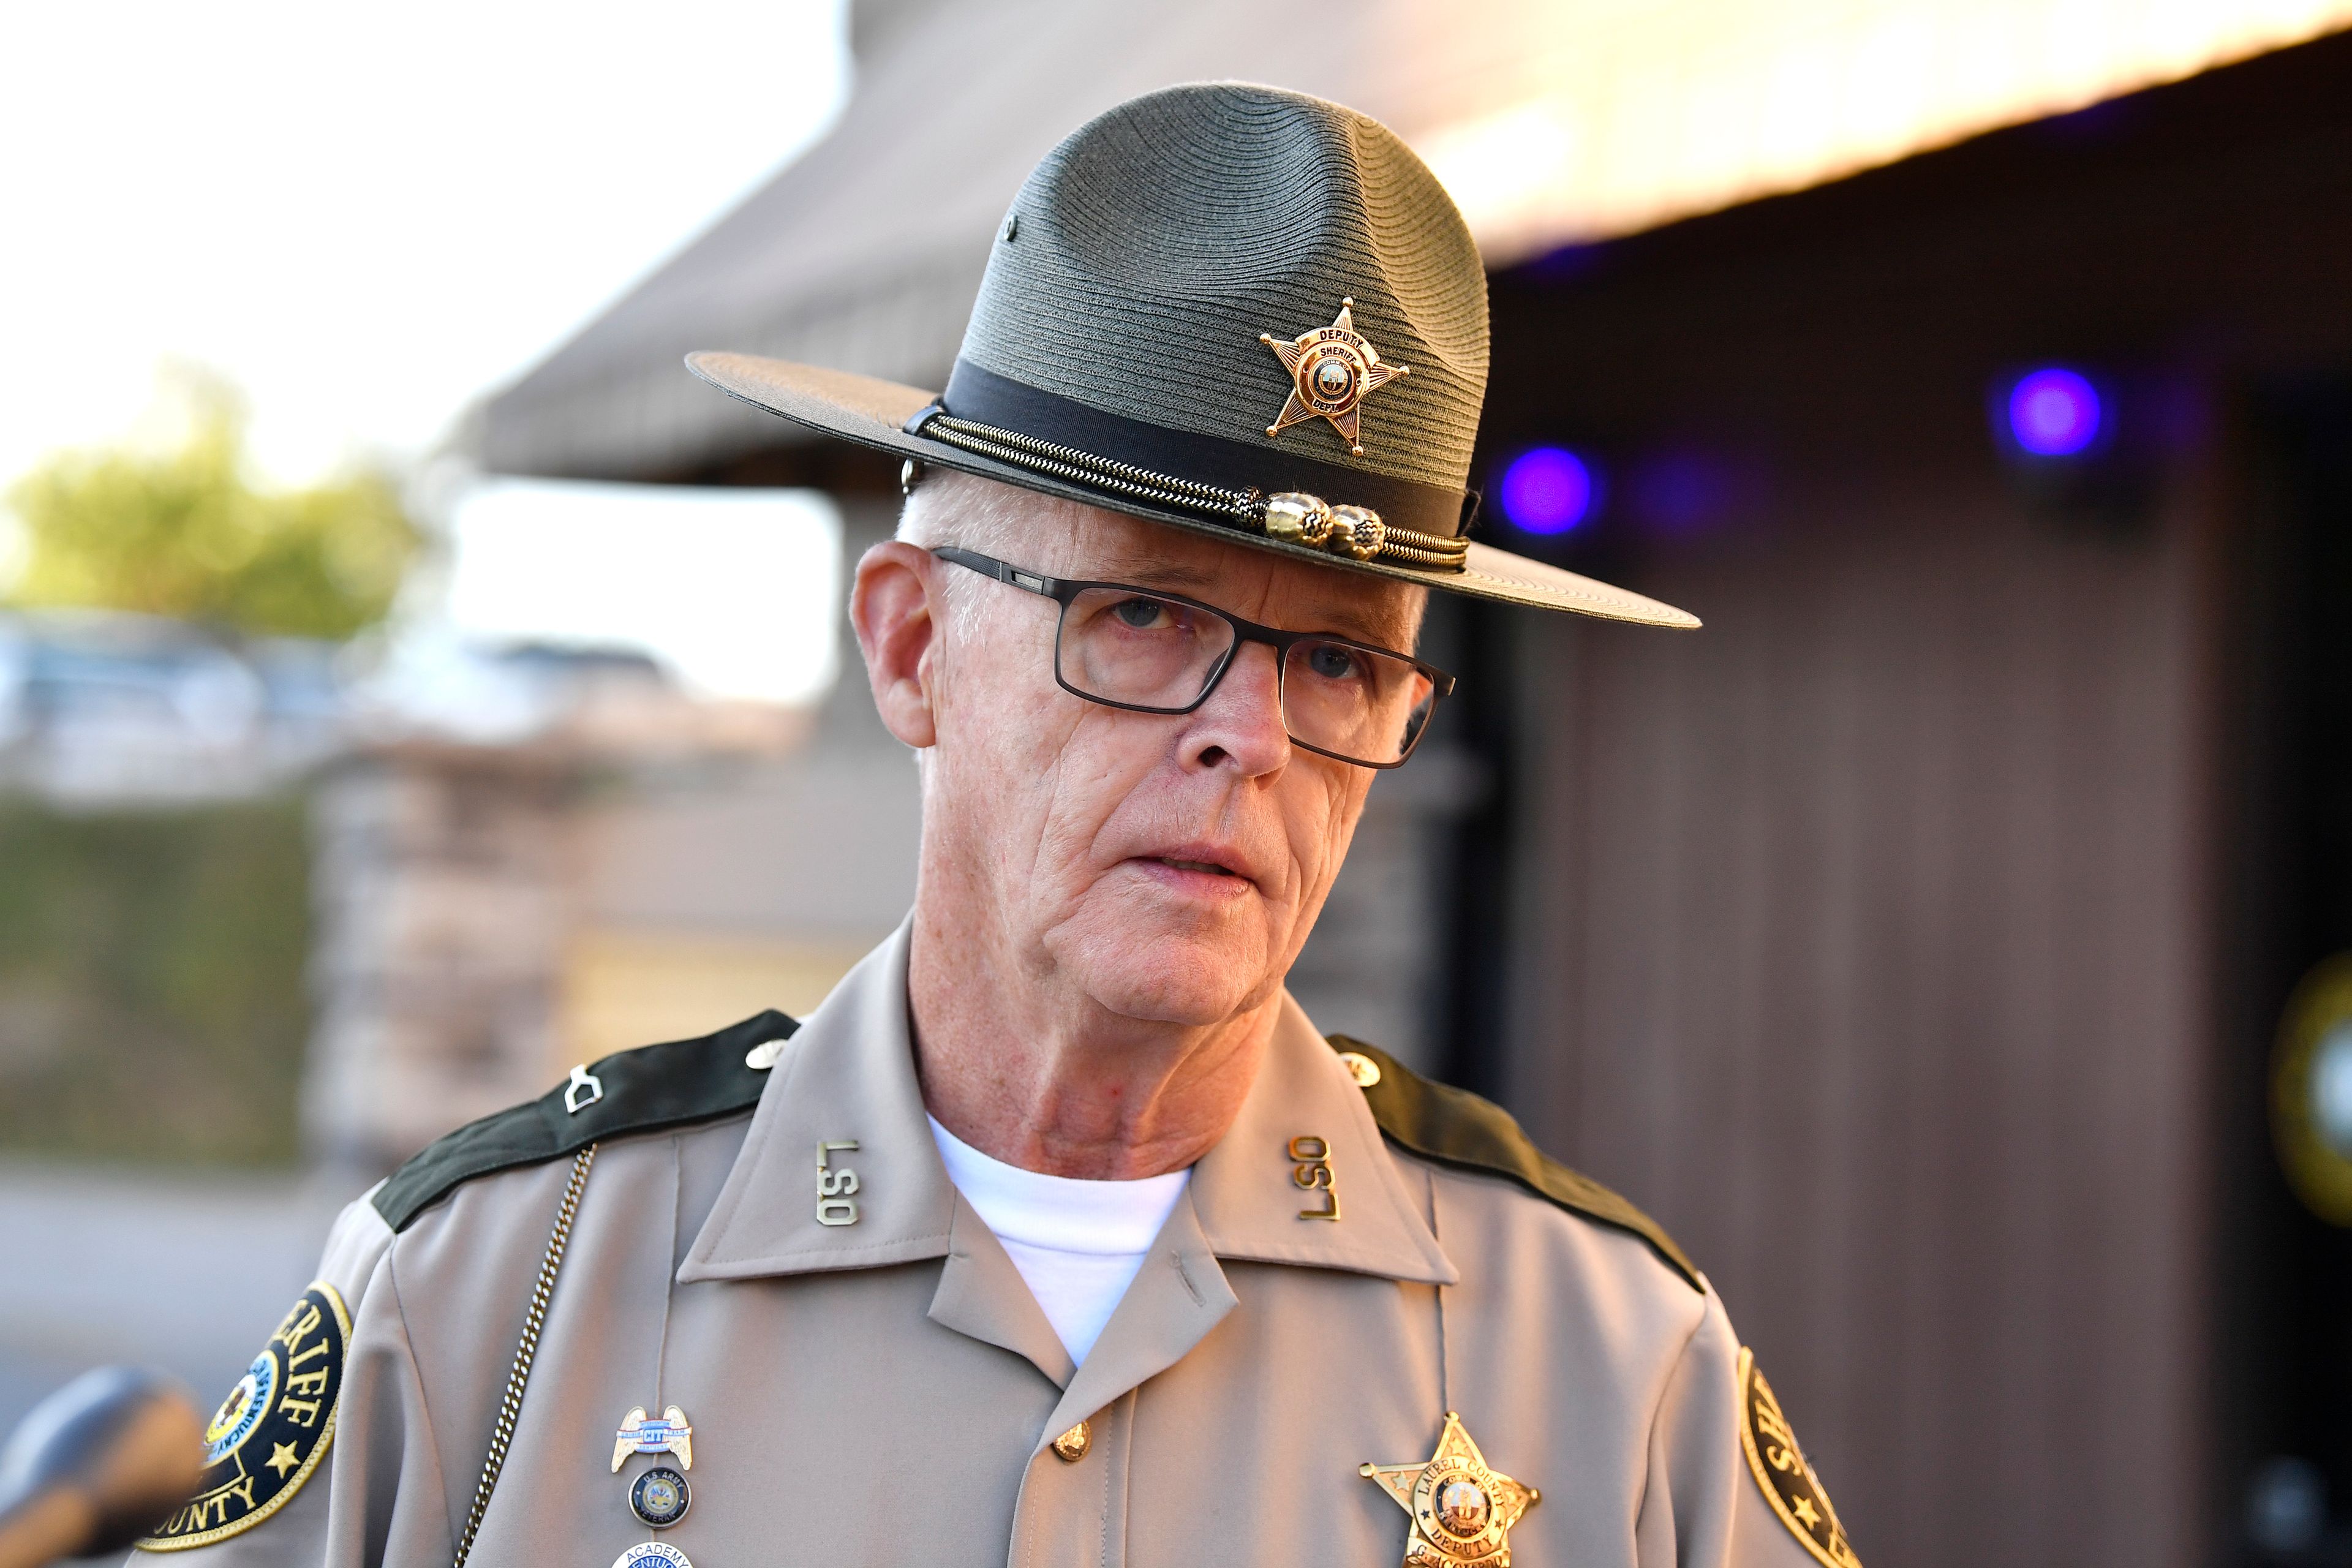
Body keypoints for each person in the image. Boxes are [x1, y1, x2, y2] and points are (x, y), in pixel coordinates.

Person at [134, 83, 1858, 1568]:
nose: (1245, 740)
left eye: (1338, 659)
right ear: (909, 645)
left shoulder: (1620, 1363)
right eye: (1145, 620)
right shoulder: (494, 1306)